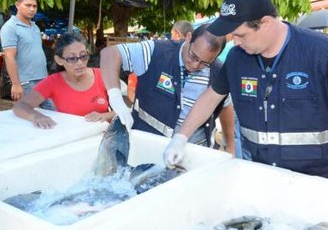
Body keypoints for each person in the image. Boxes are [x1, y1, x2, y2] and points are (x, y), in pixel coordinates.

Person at [163, 0, 328, 223]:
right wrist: (180, 137)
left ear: (265, 23)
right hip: (263, 178)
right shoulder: (238, 59)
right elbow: (210, 97)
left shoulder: (318, 52)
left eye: (240, 34)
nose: (235, 43)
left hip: (319, 182)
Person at [100, 24, 235, 153]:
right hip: (147, 147)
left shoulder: (218, 72)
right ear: (188, 37)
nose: (194, 65)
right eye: (193, 56)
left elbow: (225, 104)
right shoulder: (156, 52)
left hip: (193, 152)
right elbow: (110, 54)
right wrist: (115, 95)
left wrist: (229, 146)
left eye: (205, 63)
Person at [13, 33, 114, 129]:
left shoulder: (103, 75)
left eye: (83, 56)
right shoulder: (53, 82)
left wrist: (105, 115)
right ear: (59, 60)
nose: (79, 63)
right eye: (72, 58)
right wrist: (37, 117)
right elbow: (21, 105)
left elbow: (126, 110)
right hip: (75, 138)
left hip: (106, 137)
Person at [0, 0, 53, 109]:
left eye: (34, 6)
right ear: (18, 5)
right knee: (33, 120)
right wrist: (16, 84)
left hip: (43, 79)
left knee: (54, 113)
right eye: (28, 5)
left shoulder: (35, 27)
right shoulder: (10, 28)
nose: (32, 9)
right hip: (26, 82)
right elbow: (9, 57)